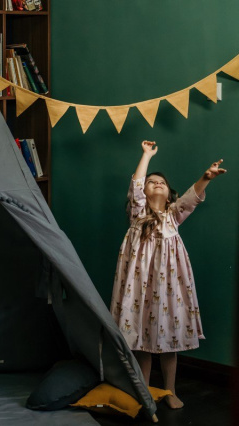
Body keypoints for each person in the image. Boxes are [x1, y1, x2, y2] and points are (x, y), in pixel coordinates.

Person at [110, 140, 227, 409]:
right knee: (142, 341)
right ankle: (145, 390)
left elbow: (191, 198)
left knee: (168, 340)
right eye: (152, 182)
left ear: (169, 193)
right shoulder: (137, 215)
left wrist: (205, 178)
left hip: (168, 288)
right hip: (140, 287)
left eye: (161, 182)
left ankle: (170, 390)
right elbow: (137, 185)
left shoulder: (173, 216)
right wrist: (146, 156)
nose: (157, 183)